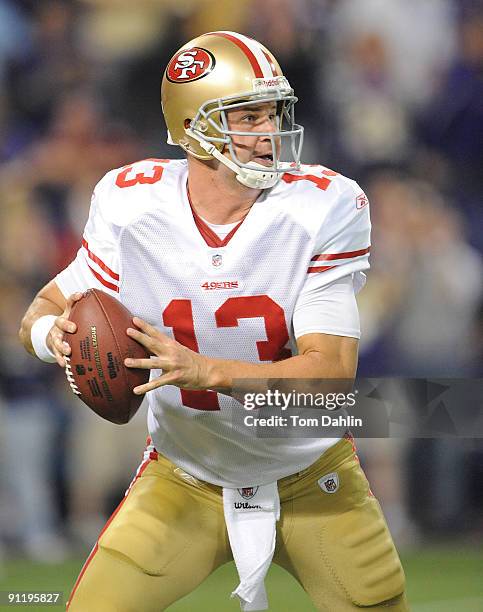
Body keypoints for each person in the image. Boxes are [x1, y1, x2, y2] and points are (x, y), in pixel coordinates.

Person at [19, 31, 408, 612]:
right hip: (184, 476)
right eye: (246, 116)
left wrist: (206, 370)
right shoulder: (132, 203)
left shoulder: (322, 206)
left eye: (273, 114)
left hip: (310, 471)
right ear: (194, 125)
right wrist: (57, 341)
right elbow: (41, 312)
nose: (268, 133)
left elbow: (331, 376)